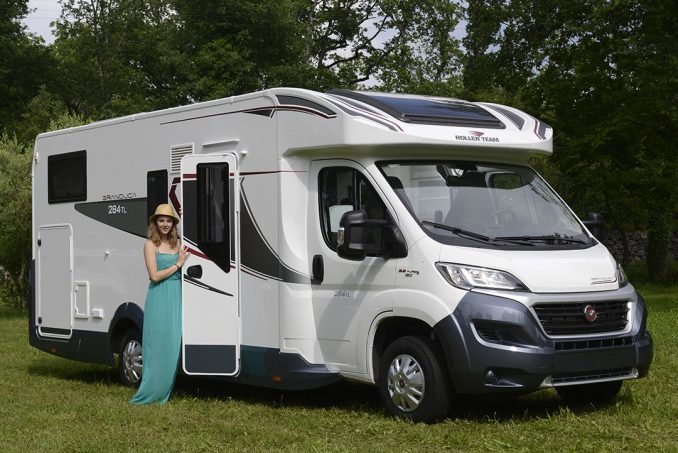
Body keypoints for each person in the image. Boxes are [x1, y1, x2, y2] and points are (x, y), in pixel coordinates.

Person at [130, 204, 189, 404]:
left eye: (168, 220)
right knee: (156, 345)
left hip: (176, 295)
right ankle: (150, 391)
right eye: (161, 220)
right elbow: (154, 276)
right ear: (155, 223)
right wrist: (178, 264)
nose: (164, 224)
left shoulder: (179, 243)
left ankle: (164, 389)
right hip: (158, 296)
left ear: (173, 224)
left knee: (172, 344)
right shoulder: (150, 245)